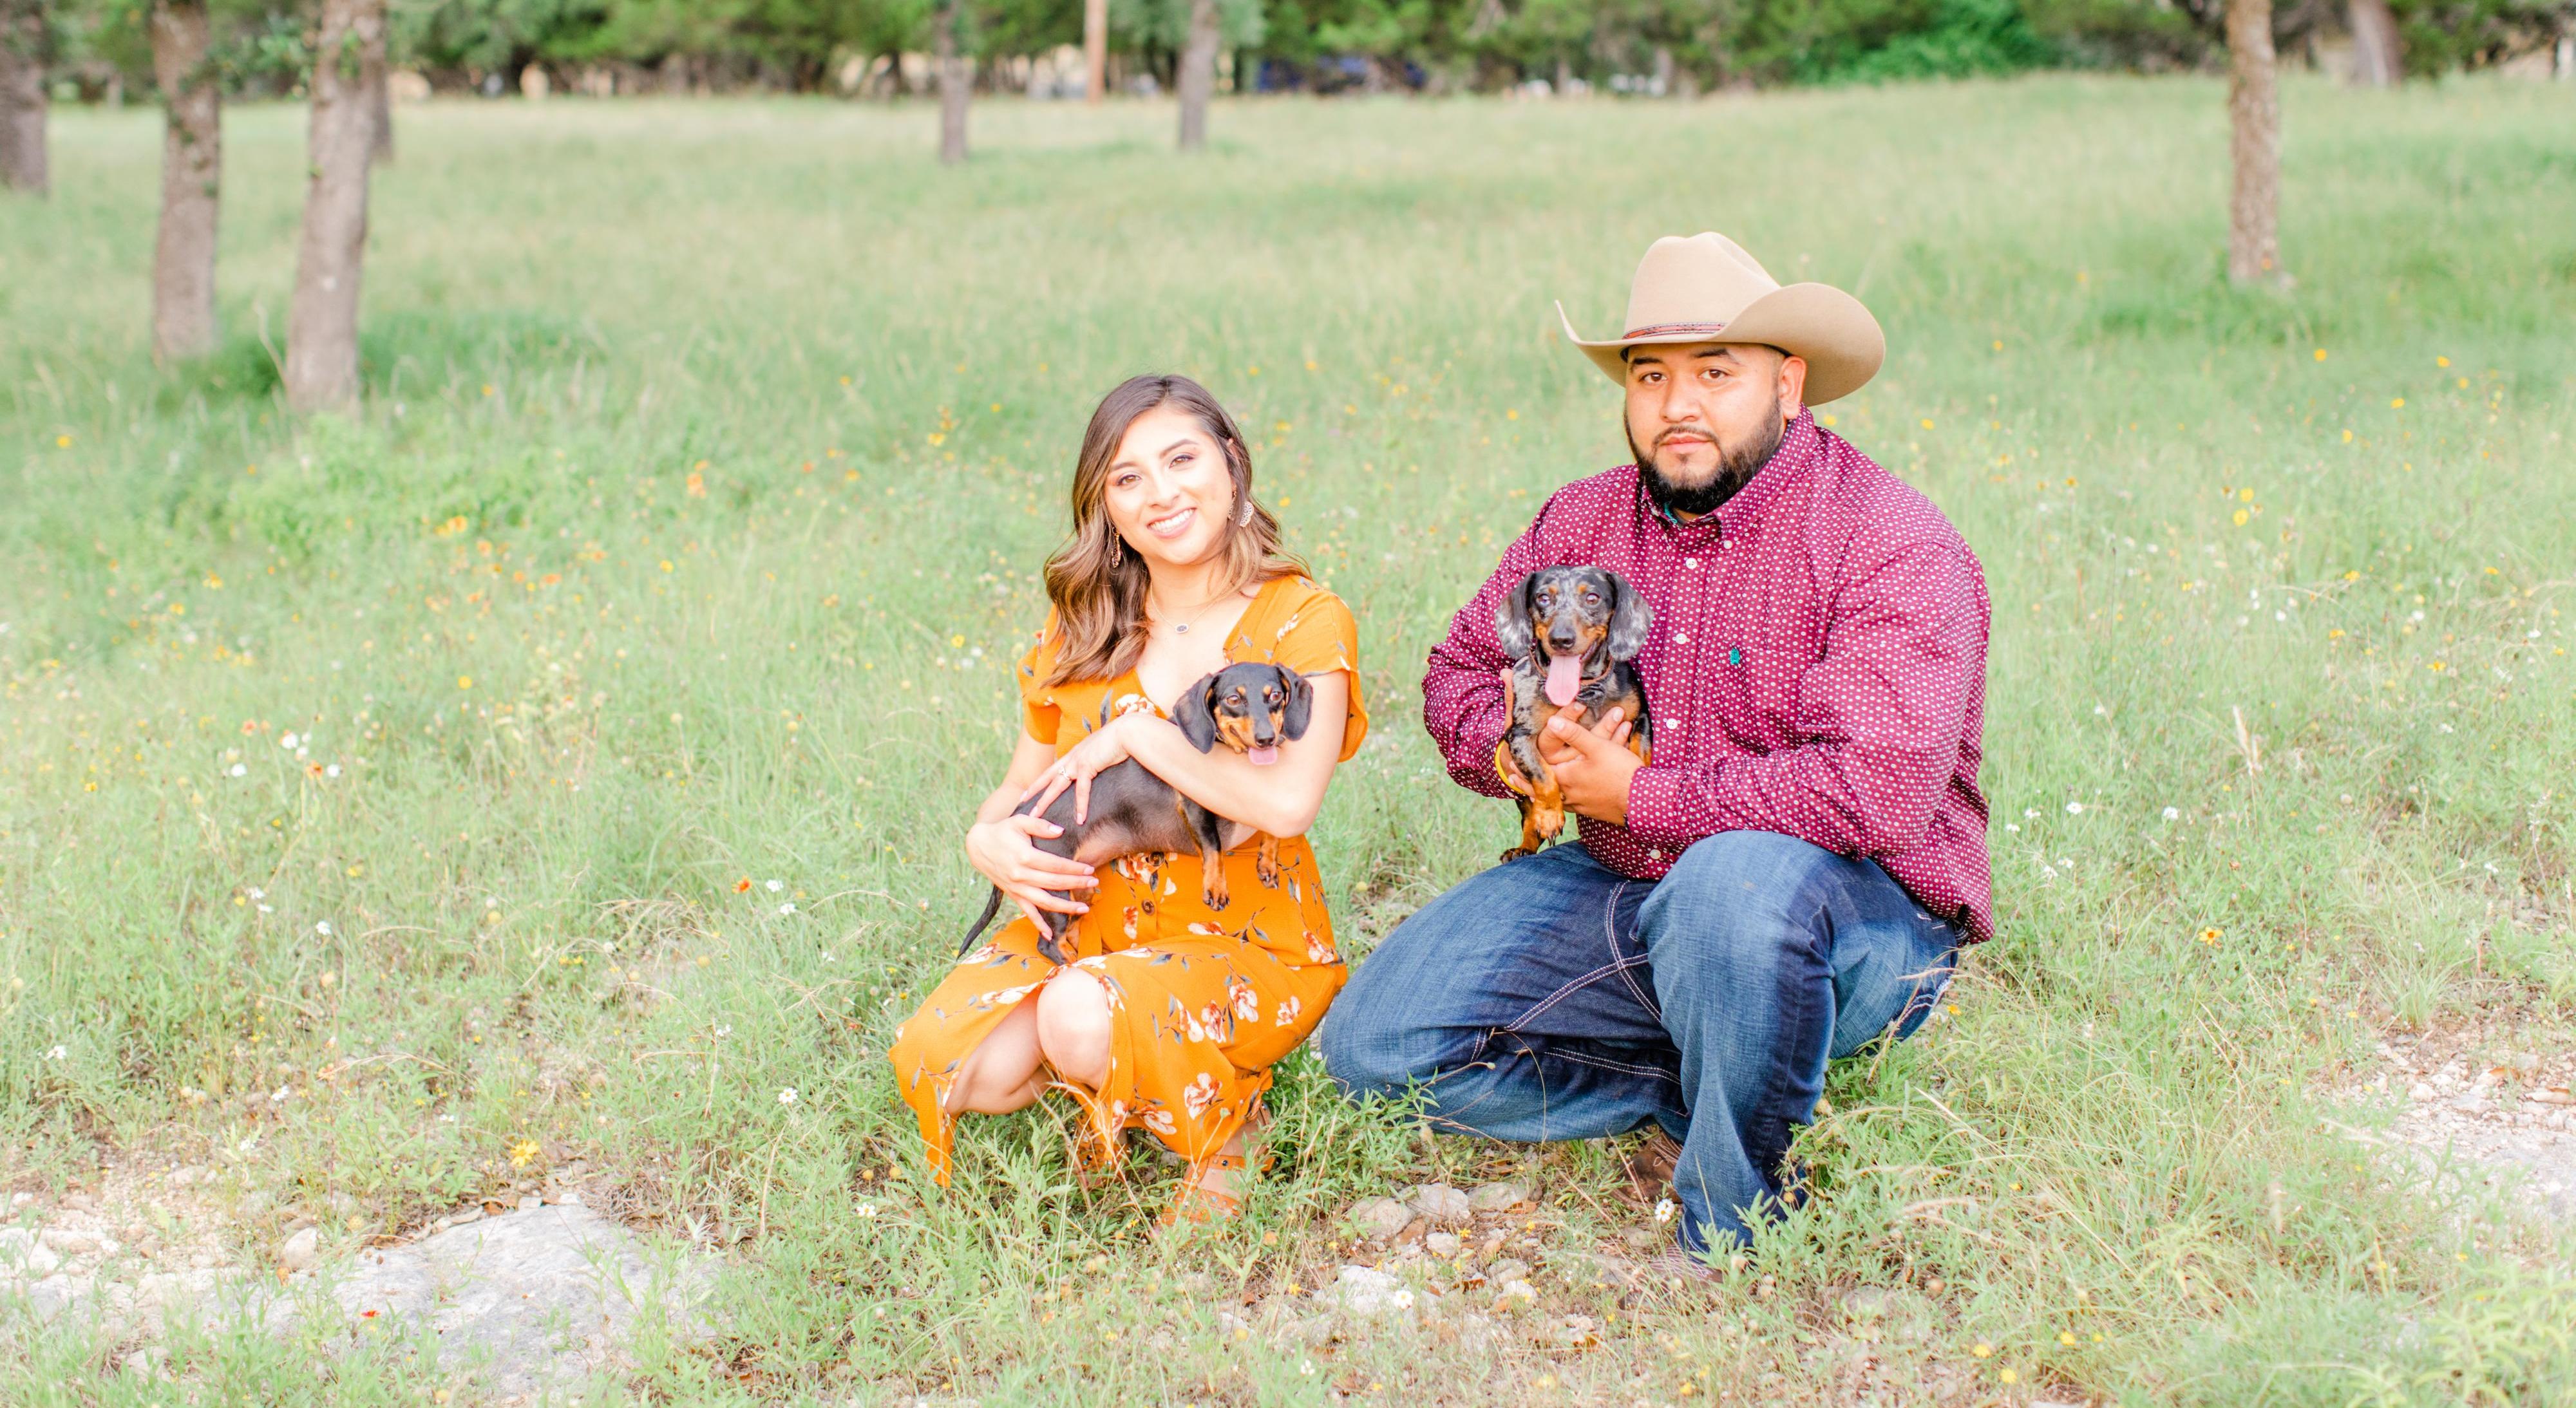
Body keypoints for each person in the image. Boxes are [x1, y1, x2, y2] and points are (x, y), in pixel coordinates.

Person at [1320, 232, 1991, 1272]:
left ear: (1788, 385)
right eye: (1650, 376)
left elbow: (1878, 790)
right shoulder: (1583, 519)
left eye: (1716, 374)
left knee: (1730, 888)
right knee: (1376, 1046)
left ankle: (1736, 1221)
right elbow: (1458, 672)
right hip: (1628, 881)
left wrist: (1640, 795)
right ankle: (1704, 1078)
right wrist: (1523, 754)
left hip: (1854, 916)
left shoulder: (1887, 539)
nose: (1678, 405)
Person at [889, 373, 1367, 1224]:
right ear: (1105, 505)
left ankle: (1229, 1130)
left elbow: (1288, 805)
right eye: (1128, 478)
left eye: (1181, 460)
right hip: (1090, 925)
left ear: (1231, 463)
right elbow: (1022, 784)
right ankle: (1125, 1073)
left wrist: (1141, 735)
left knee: (1079, 1016)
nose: (1161, 494)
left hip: (1243, 938)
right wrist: (985, 839)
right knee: (949, 1064)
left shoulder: (1300, 619)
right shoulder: (1083, 624)